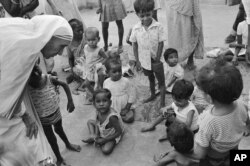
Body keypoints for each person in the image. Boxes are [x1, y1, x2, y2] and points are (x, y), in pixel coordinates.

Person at [0, 15, 73, 165]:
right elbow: (5, 94)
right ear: (48, 36)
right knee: (21, 143)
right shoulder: (22, 49)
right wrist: (24, 115)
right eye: (61, 46)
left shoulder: (26, 37)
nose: (60, 53)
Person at [186, 59, 250, 165]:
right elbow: (247, 121)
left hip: (214, 158)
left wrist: (182, 153)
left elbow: (200, 154)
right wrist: (247, 128)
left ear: (209, 98)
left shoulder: (208, 122)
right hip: (234, 146)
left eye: (202, 91)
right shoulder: (241, 104)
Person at [28, 64, 81, 166]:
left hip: (55, 111)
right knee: (51, 138)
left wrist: (70, 101)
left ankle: (68, 144)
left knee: (59, 129)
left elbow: (65, 85)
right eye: (32, 79)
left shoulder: (48, 78)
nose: (36, 82)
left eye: (38, 78)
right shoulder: (26, 86)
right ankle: (59, 158)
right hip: (42, 118)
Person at [130, 0, 166, 108]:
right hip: (144, 60)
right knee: (150, 78)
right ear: (137, 15)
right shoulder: (136, 28)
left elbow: (161, 43)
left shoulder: (158, 26)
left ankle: (163, 102)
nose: (145, 18)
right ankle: (153, 95)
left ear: (152, 11)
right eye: (142, 16)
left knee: (161, 82)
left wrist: (158, 59)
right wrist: (137, 61)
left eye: (148, 14)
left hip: (156, 60)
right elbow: (134, 45)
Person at [82, 89, 124, 155]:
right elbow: (97, 123)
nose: (101, 104)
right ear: (94, 104)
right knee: (89, 122)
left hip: (112, 133)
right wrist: (96, 136)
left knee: (106, 150)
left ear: (110, 103)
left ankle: (97, 138)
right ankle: (93, 136)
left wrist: (104, 140)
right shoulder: (98, 110)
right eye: (98, 101)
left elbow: (119, 132)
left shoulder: (112, 117)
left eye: (104, 101)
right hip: (103, 128)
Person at [165, 0, 204, 69]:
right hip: (172, 5)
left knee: (191, 31)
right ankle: (175, 58)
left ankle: (190, 59)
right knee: (174, 33)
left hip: (189, 3)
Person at [103, 59, 136, 123]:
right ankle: (116, 115)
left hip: (125, 106)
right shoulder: (106, 82)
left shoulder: (126, 81)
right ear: (107, 73)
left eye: (119, 71)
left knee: (129, 119)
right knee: (106, 118)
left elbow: (132, 94)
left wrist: (127, 108)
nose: (118, 73)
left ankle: (128, 112)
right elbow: (105, 95)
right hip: (113, 106)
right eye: (114, 72)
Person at [67, 18, 86, 94]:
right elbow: (70, 58)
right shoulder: (69, 43)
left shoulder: (86, 38)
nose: (81, 32)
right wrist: (72, 69)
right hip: (79, 65)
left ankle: (82, 82)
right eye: (78, 31)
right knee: (77, 70)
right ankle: (81, 83)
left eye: (82, 29)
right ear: (71, 31)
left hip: (90, 61)